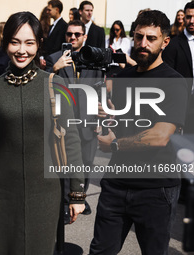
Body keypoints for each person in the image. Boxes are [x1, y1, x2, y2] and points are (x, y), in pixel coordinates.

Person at [0, 11, 85, 255]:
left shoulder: (56, 84)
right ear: (5, 42)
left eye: (29, 43)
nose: (22, 50)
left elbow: (71, 139)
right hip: (2, 194)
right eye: (15, 42)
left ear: (39, 44)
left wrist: (77, 193)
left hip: (45, 192)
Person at [89, 10, 188, 254]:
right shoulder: (123, 78)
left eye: (151, 38)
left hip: (156, 190)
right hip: (115, 186)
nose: (143, 44)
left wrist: (114, 145)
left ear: (165, 41)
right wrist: (103, 119)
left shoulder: (174, 82)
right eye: (139, 36)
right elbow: (114, 122)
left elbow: (160, 136)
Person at [46, 19, 102, 221]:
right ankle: (63, 201)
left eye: (78, 34)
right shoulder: (53, 58)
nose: (73, 37)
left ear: (84, 37)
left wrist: (100, 120)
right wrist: (54, 68)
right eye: (70, 34)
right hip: (63, 122)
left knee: (86, 163)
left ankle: (80, 197)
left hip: (88, 121)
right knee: (64, 162)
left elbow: (100, 88)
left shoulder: (94, 58)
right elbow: (42, 85)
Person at [163, 2, 194, 133]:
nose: (191, 21)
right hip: (185, 102)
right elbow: (168, 76)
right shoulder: (174, 44)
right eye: (188, 17)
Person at [41, 0, 68, 68]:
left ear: (57, 10)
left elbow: (58, 46)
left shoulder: (64, 26)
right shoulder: (52, 26)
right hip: (48, 61)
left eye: (49, 10)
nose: (47, 12)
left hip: (55, 62)